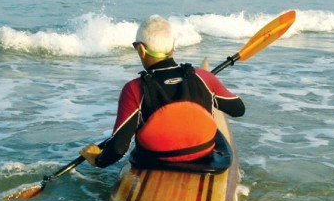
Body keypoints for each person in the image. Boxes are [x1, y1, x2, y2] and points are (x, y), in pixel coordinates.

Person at [80, 15, 245, 168]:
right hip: (202, 156)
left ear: (141, 50)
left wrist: (97, 160)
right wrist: (207, 93)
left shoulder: (134, 89)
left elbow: (118, 149)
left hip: (155, 161)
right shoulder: (202, 77)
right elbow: (238, 109)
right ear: (173, 47)